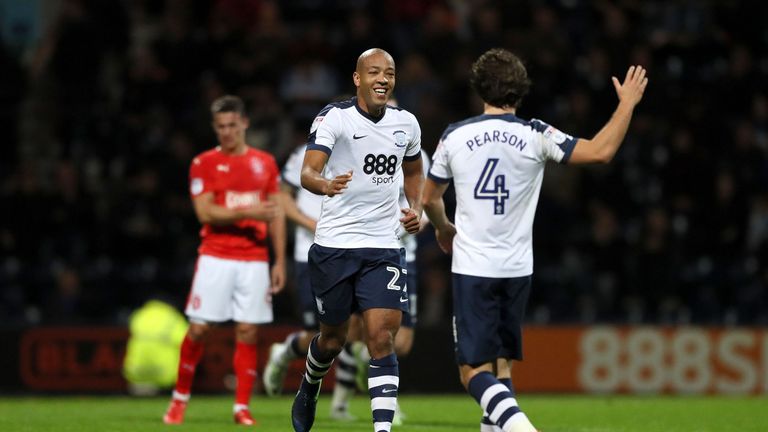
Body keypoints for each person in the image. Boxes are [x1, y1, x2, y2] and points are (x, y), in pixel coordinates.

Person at [422, 48, 647, 432]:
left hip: (473, 268)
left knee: (471, 372)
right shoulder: (537, 133)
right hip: (517, 268)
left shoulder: (455, 135)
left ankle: (521, 428)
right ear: (521, 91)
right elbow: (601, 151)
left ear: (478, 88)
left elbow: (429, 198)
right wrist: (626, 104)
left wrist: (443, 227)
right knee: (501, 363)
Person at [290, 48, 424, 432]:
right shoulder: (336, 118)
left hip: (383, 247)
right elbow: (308, 172)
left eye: (390, 73)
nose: (383, 79)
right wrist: (325, 184)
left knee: (383, 338)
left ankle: (381, 429)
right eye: (375, 72)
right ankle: (311, 383)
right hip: (334, 247)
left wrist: (413, 206)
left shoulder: (407, 124)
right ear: (357, 78)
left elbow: (415, 170)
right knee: (332, 340)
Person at [162, 95, 286, 426]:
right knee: (200, 328)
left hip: (255, 259)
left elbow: (276, 215)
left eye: (232, 125)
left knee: (247, 332)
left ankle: (241, 407)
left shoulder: (265, 163)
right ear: (214, 129)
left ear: (244, 123)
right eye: (221, 127)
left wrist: (280, 262)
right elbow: (205, 213)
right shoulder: (203, 163)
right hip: (216, 256)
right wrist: (248, 211)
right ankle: (179, 399)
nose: (227, 132)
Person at [262, 139, 368, 422]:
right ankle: (285, 352)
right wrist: (310, 223)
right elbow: (282, 195)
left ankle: (341, 406)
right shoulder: (304, 153)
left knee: (354, 329)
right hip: (310, 252)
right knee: (320, 336)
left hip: (349, 250)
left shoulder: (364, 148)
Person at [123, 297, 187, 396]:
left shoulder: (140, 314)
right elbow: (186, 341)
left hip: (137, 371)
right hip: (164, 374)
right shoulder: (173, 317)